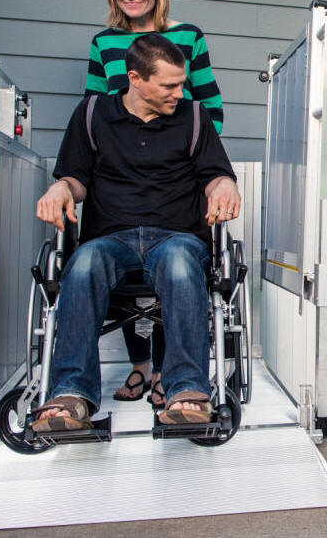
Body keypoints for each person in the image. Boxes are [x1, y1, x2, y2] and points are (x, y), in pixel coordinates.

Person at [32, 34, 239, 430]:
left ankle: (186, 393)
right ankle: (72, 396)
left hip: (176, 238)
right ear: (135, 78)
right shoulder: (92, 114)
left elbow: (214, 176)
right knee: (83, 262)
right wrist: (60, 188)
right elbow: (76, 179)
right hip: (111, 239)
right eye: (169, 85)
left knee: (180, 265)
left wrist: (224, 185)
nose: (180, 92)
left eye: (182, 83)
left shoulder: (194, 117)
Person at [85, 0, 225, 408]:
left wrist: (196, 157)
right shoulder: (104, 42)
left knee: (174, 258)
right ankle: (140, 365)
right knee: (117, 244)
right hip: (122, 171)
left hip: (176, 170)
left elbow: (207, 104)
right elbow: (95, 110)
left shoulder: (188, 36)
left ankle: (168, 371)